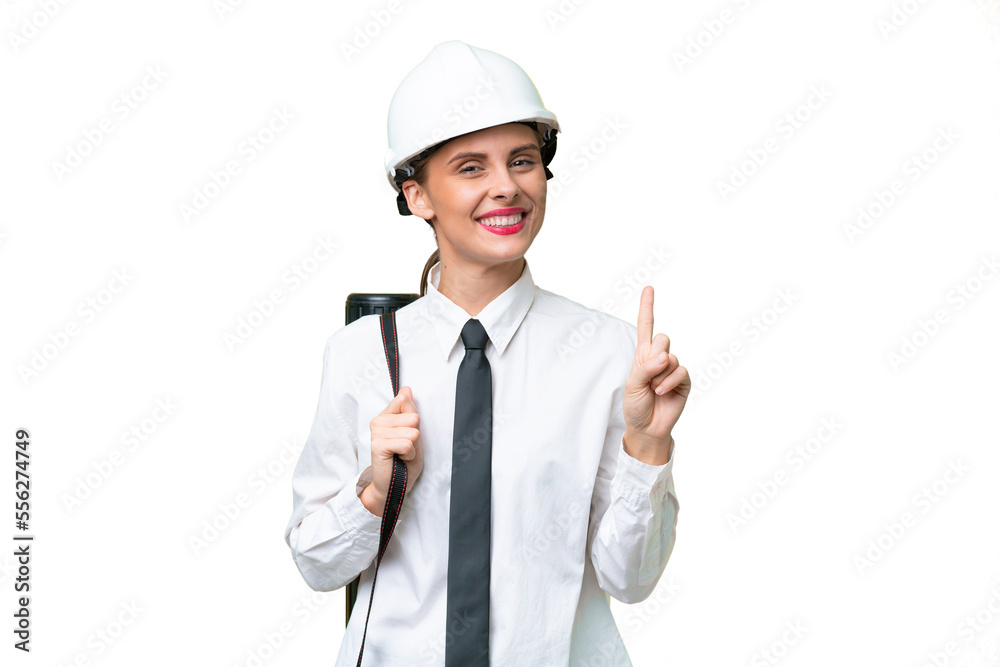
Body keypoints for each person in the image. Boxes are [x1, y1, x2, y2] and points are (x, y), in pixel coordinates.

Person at [284, 40, 689, 666]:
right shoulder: (361, 352)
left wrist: (648, 445)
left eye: (522, 161)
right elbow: (316, 563)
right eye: (472, 168)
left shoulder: (608, 354)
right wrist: (376, 491)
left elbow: (629, 580)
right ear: (418, 196)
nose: (506, 188)